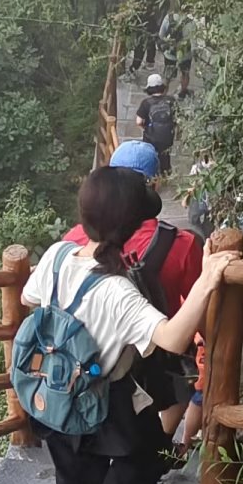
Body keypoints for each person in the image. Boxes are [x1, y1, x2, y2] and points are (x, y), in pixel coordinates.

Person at [21, 166, 228, 484]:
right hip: (103, 397)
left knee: (73, 468)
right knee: (148, 454)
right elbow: (171, 337)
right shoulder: (117, 290)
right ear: (133, 227)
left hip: (51, 386)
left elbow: (28, 298)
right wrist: (207, 278)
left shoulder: (56, 254)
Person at [65, 140, 204, 439]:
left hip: (86, 351)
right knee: (182, 386)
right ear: (152, 185)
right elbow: (197, 304)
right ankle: (160, 448)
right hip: (155, 352)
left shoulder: (76, 238)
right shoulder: (181, 244)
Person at [136, 72, 177, 175]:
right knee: (165, 155)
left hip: (151, 137)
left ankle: (151, 174)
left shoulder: (146, 103)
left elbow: (138, 121)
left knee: (149, 154)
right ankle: (166, 173)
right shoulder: (171, 101)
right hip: (167, 137)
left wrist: (145, 128)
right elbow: (177, 119)